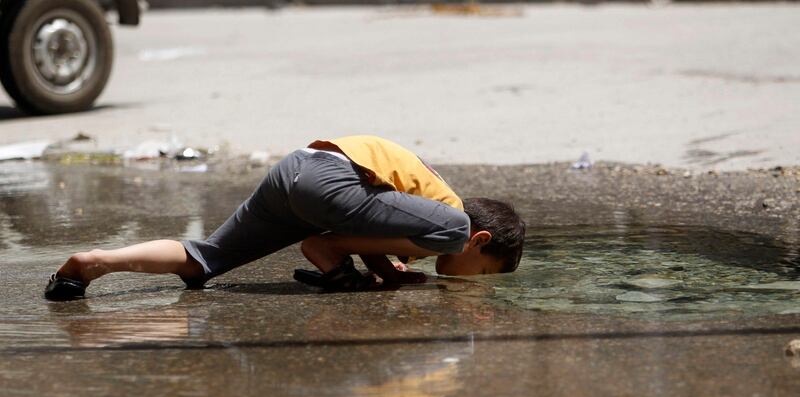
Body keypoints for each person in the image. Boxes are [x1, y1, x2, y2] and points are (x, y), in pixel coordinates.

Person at [44, 135, 526, 301]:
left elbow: (367, 218)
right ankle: (327, 253)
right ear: (479, 242)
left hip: (294, 171)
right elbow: (357, 222)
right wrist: (347, 254)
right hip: (329, 178)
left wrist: (385, 270)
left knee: (203, 259)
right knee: (448, 231)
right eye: (482, 273)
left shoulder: (423, 214)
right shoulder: (451, 221)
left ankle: (93, 263)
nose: (473, 280)